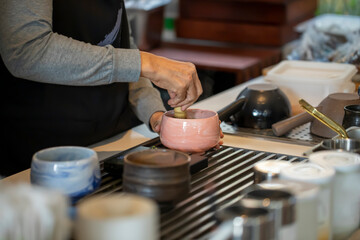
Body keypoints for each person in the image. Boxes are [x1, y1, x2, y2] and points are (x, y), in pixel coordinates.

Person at [0, 0, 203, 177]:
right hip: (41, 161)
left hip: (112, 146)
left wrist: (156, 115)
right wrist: (148, 64)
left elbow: (123, 48)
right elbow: (26, 51)